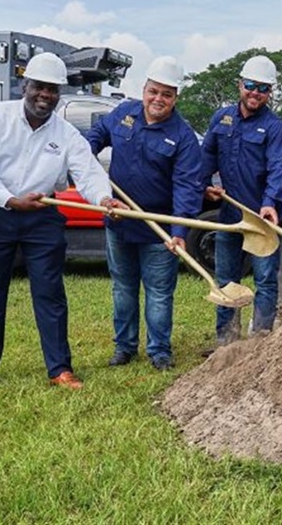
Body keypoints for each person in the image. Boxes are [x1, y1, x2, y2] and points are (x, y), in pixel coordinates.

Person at [0, 53, 124, 392]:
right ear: (25, 86)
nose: (45, 95)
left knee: (50, 294)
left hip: (41, 219)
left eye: (52, 90)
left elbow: (88, 173)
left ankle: (60, 369)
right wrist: (10, 199)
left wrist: (104, 199)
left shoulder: (66, 134)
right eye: (39, 87)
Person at [86, 56, 202, 371]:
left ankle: (159, 351)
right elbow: (95, 137)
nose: (158, 99)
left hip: (158, 230)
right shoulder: (123, 113)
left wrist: (179, 232)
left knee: (159, 293)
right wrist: (85, 158)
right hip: (118, 223)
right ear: (144, 89)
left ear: (176, 97)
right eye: (154, 91)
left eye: (166, 94)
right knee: (122, 288)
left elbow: (188, 187)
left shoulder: (183, 137)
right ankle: (124, 348)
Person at [200, 55, 282, 345]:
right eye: (250, 85)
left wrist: (269, 202)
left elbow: (279, 167)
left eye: (263, 88)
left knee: (265, 280)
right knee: (227, 280)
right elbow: (207, 156)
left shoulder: (275, 127)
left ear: (270, 92)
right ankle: (226, 343)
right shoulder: (222, 118)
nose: (255, 92)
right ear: (240, 84)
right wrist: (203, 184)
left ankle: (260, 342)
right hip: (230, 215)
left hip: (264, 219)